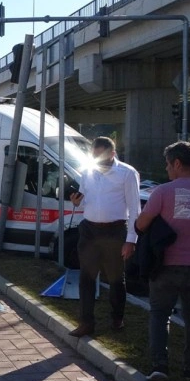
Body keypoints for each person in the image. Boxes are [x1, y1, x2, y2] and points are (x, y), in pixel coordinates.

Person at [135, 141, 190, 381]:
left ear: (177, 163)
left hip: (166, 266)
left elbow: (141, 224)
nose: (167, 169)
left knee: (160, 315)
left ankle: (159, 366)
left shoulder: (162, 192)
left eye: (168, 164)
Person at [68, 136, 141, 337]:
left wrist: (131, 240)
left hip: (115, 231)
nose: (98, 160)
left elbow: (135, 208)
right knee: (86, 277)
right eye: (94, 156)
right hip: (89, 230)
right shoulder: (88, 171)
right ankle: (86, 323)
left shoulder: (127, 173)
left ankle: (117, 318)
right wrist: (76, 202)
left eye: (102, 155)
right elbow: (84, 198)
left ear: (113, 154)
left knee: (116, 278)